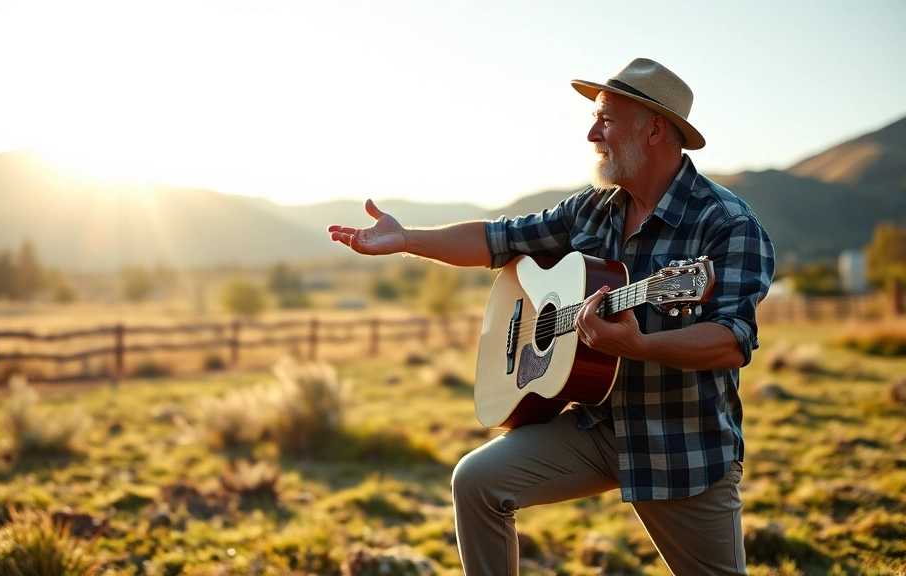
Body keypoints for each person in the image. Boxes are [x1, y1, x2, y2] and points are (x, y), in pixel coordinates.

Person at [327, 58, 774, 575]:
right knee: (476, 481)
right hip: (594, 424)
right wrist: (406, 239)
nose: (591, 132)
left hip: (679, 446)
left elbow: (730, 340)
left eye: (606, 118)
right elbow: (499, 240)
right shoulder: (592, 207)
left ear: (654, 128)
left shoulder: (728, 224)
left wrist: (641, 346)